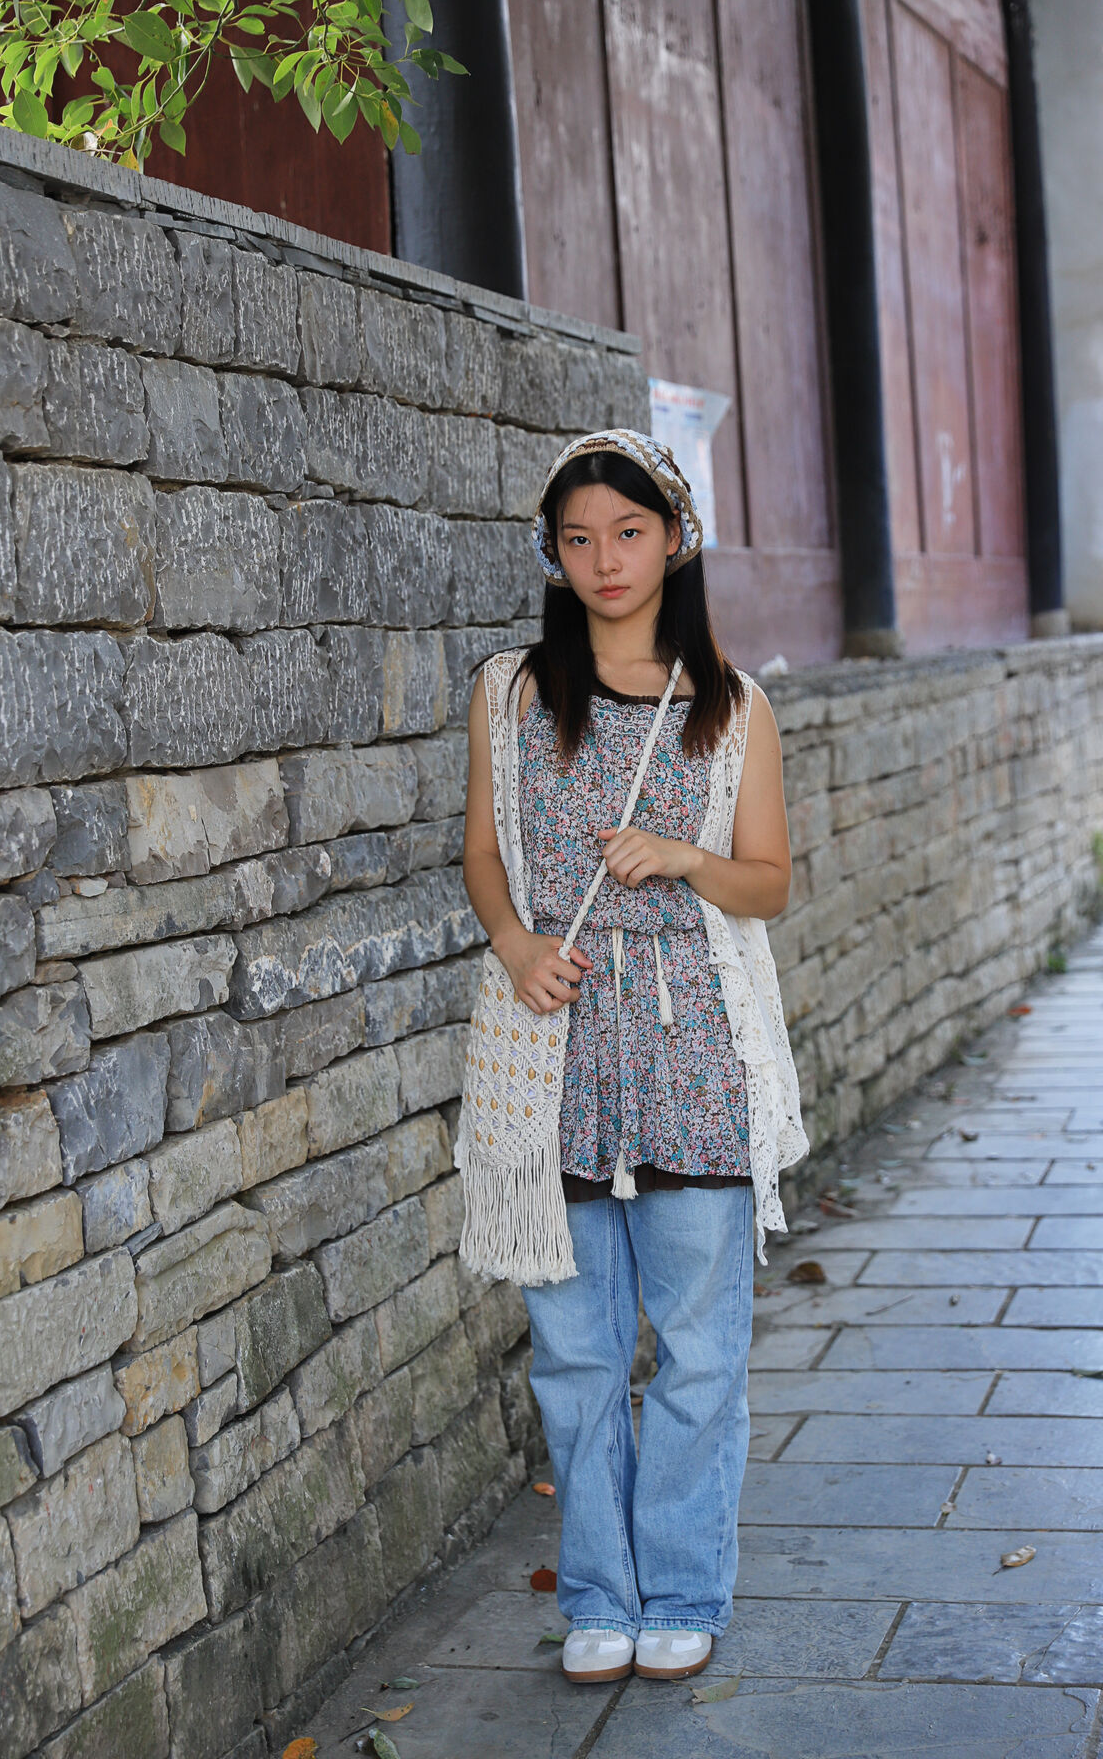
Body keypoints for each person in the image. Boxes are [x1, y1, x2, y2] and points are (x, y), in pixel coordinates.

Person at [461, 430, 798, 1685]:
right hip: (552, 1047)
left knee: (699, 1350)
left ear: (676, 541)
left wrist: (686, 857)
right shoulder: (508, 692)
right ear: (554, 554)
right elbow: (482, 854)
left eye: (630, 532)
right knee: (577, 1353)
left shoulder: (732, 706)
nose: (606, 559)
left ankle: (686, 1590)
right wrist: (514, 946)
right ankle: (601, 1592)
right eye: (580, 539)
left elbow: (768, 882)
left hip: (691, 1050)